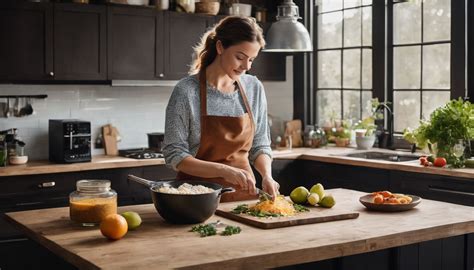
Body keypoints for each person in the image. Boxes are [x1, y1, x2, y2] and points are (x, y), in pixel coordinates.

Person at [162, 16, 279, 202]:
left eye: (252, 60)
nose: (246, 67)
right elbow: (174, 155)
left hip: (243, 198)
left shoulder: (253, 87)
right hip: (197, 199)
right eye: (240, 57)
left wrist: (266, 175)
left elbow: (260, 144)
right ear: (220, 47)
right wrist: (223, 171)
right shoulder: (186, 91)